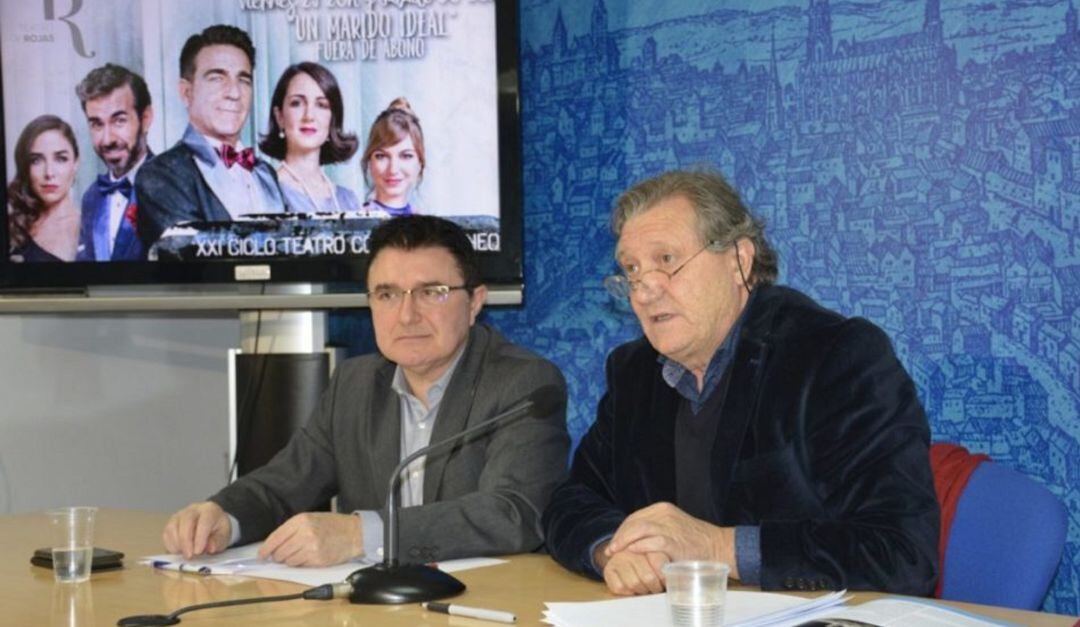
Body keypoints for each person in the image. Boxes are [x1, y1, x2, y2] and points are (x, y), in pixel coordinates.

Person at [543, 170, 939, 596]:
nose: (644, 291)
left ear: (738, 261)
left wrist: (717, 547)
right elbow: (570, 501)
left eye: (667, 260)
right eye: (632, 270)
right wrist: (613, 550)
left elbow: (901, 552)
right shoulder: (634, 372)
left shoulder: (834, 357)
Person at [163, 215, 570, 567]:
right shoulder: (354, 384)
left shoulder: (524, 384)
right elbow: (285, 483)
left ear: (475, 302)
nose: (407, 315)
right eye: (388, 294)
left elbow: (513, 512)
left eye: (431, 292)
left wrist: (362, 535)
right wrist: (223, 514)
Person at [136, 24, 286, 250]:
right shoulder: (160, 175)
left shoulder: (265, 173)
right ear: (186, 92)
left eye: (243, 80)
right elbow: (190, 256)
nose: (234, 93)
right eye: (217, 78)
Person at [75, 63, 154, 261]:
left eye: (119, 120)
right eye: (96, 124)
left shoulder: (173, 187)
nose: (107, 139)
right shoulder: (91, 197)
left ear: (145, 119)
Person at [259, 62, 362, 214]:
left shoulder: (349, 200)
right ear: (279, 116)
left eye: (321, 105)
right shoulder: (264, 192)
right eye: (297, 103)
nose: (309, 116)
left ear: (332, 119)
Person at [6, 115, 81, 262]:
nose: (49, 173)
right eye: (36, 160)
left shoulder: (93, 228)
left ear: (75, 163)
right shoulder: (15, 225)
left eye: (60, 159)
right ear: (25, 166)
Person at [360, 98, 424, 217]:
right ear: (369, 162)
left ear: (420, 164)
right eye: (381, 156)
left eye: (406, 156)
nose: (393, 169)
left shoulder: (426, 224)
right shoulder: (354, 222)